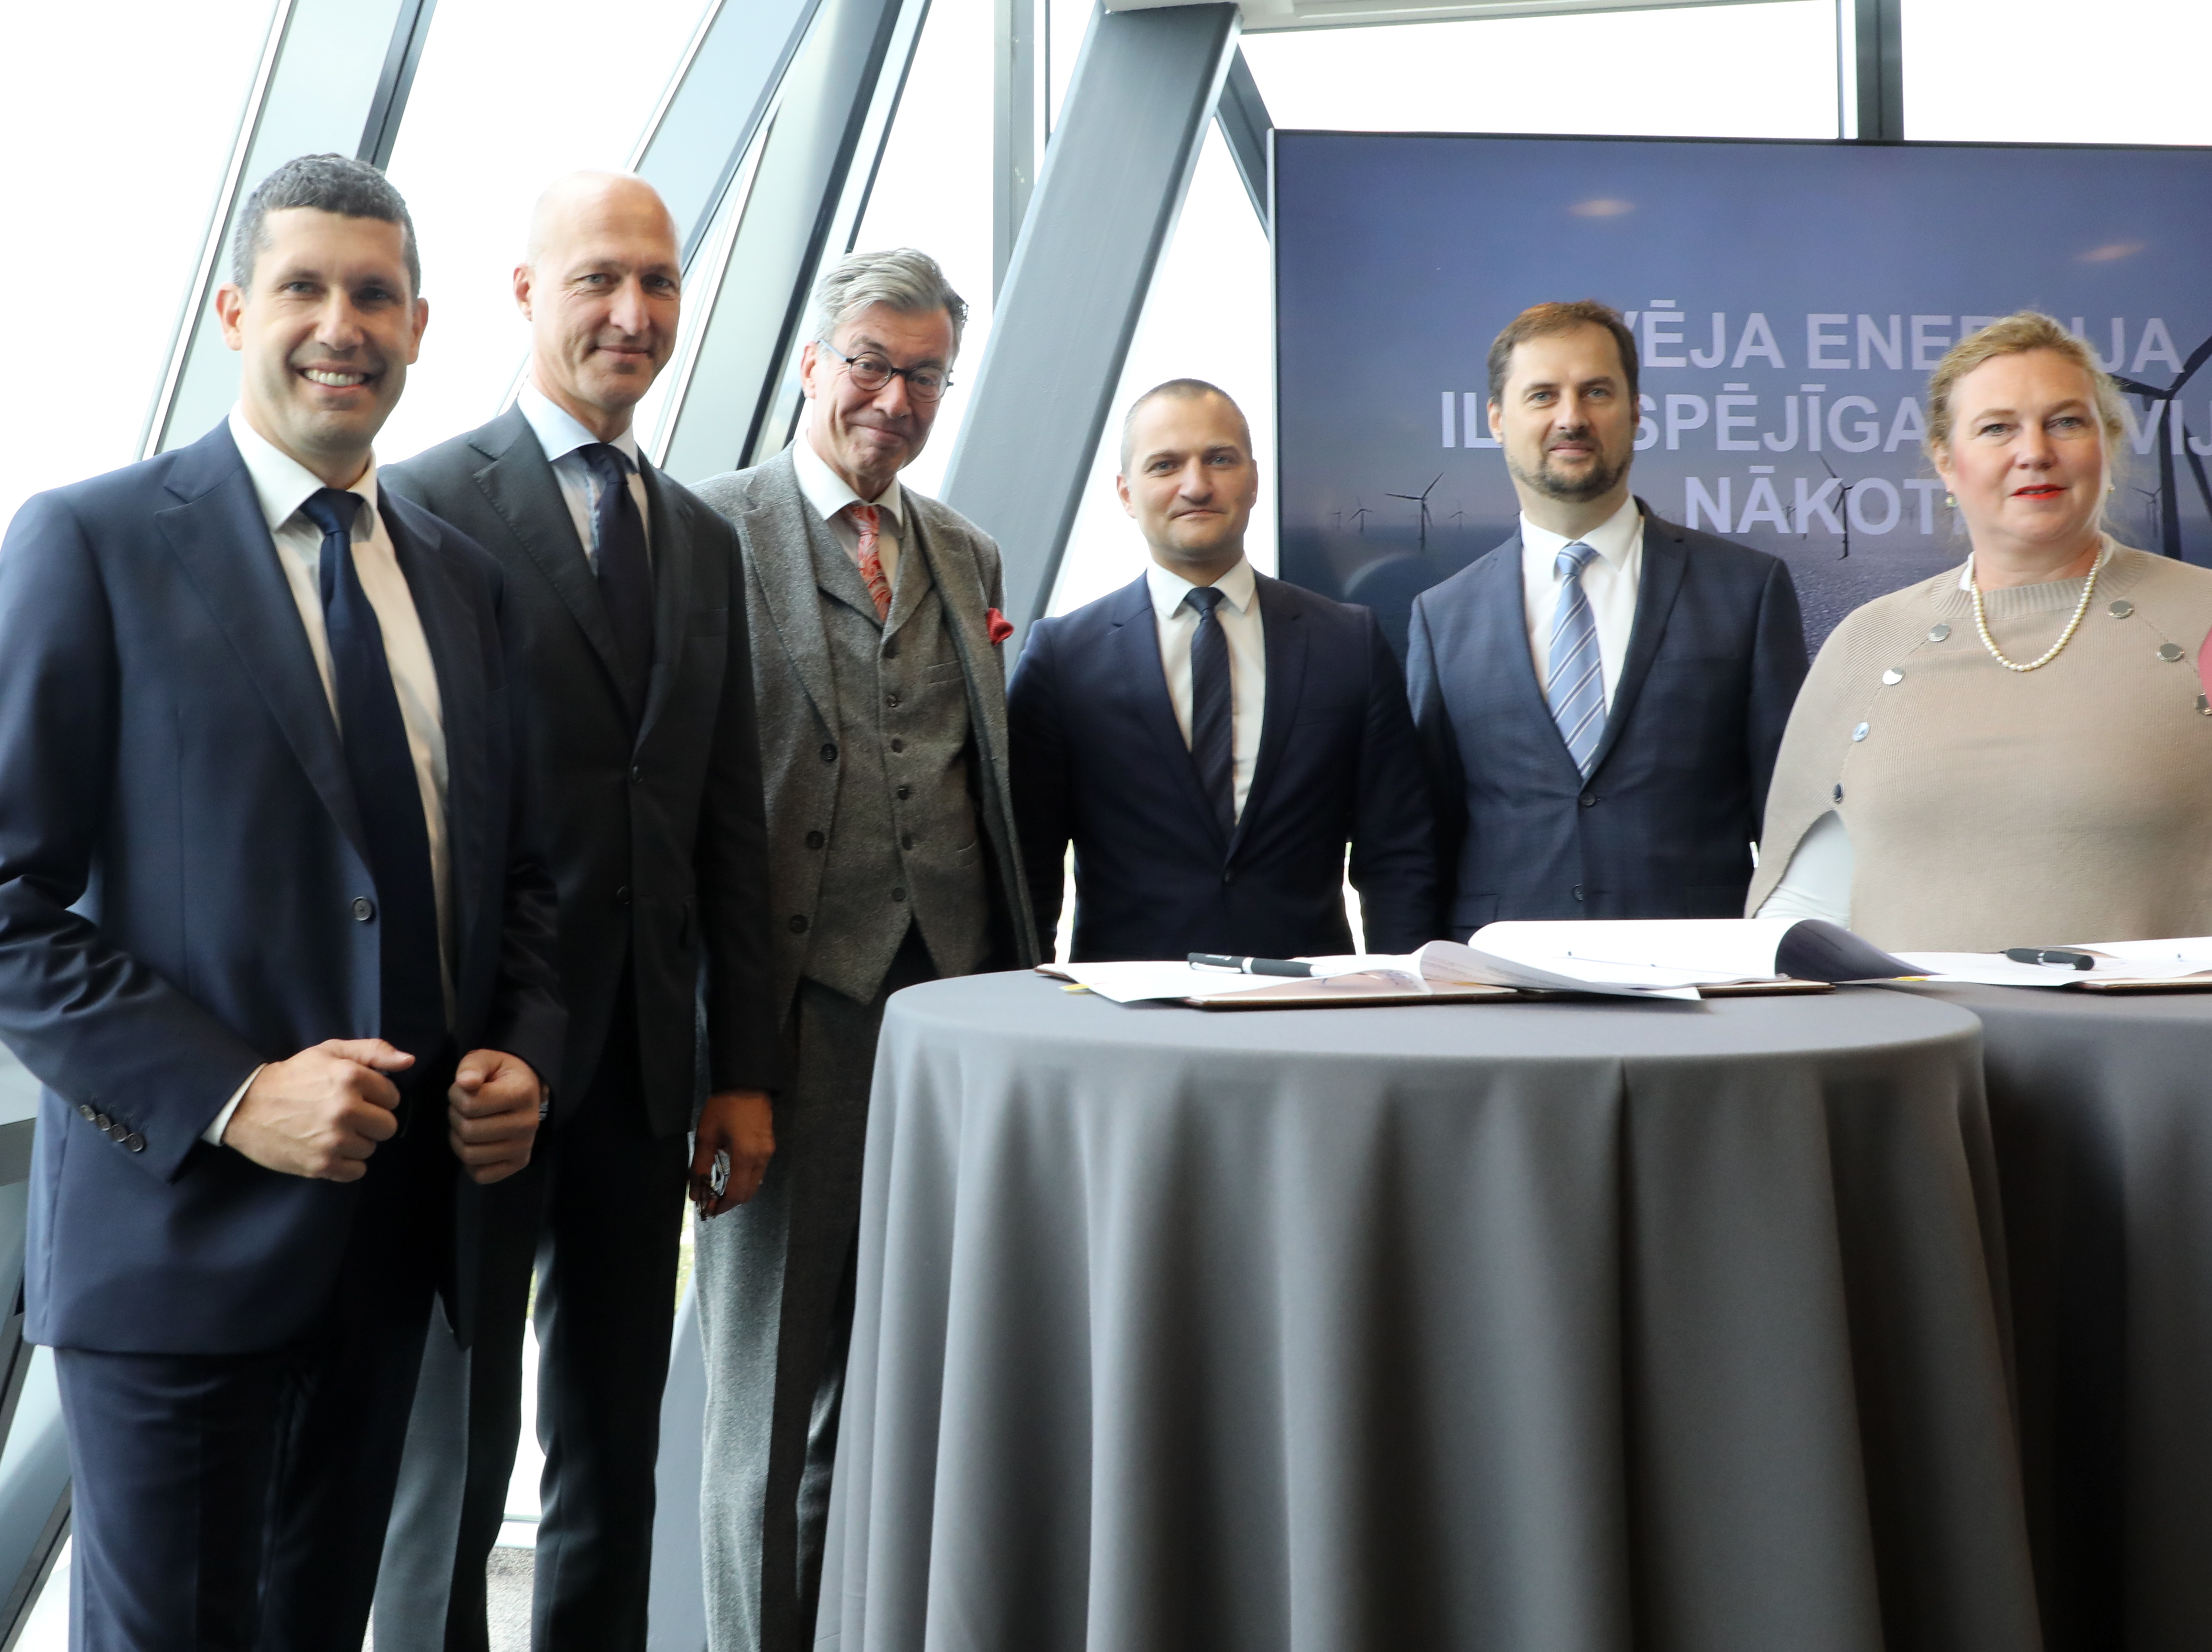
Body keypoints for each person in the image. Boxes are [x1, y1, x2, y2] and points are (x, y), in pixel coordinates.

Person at [0, 154, 565, 1652]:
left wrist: (526, 1048)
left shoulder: (468, 588)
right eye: (304, 287)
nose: (339, 325)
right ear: (234, 310)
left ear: (420, 327)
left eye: (373, 295)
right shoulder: (87, 544)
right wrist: (233, 1094)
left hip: (393, 1247)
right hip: (175, 1249)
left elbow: (530, 876)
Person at [372, 172, 782, 1652]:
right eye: (601, 278)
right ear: (527, 294)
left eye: (661, 283)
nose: (635, 312)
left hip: (641, 1079)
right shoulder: (419, 502)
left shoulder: (701, 538)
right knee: (454, 1471)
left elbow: (726, 827)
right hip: (475, 1073)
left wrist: (737, 1068)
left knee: (616, 1452)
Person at [688, 247, 1040, 1652]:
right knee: (763, 1407)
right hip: (792, 1026)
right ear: (809, 364)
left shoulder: (965, 551)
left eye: (923, 374)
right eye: (869, 365)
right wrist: (728, 1056)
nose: (892, 399)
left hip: (955, 1018)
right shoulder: (705, 533)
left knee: (922, 1394)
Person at [1749, 311, 2212, 948]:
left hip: (2177, 1046)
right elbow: (1798, 924)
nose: (2034, 453)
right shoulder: (1867, 643)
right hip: (1917, 1046)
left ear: (2106, 444)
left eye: (2065, 422)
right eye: (1996, 428)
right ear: (1945, 462)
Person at [1406, 299, 1808, 939]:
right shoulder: (1441, 618)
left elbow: (1790, 827)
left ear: (1635, 411)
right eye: (1541, 395)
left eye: (1595, 391)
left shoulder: (1745, 590)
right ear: (1495, 420)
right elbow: (1418, 844)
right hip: (1499, 993)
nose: (1571, 418)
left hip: (1702, 991)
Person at [1008, 378, 1435, 960]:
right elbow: (1028, 867)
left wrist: (1403, 1002)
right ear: (1126, 494)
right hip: (1125, 1018)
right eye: (1164, 465)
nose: (1196, 485)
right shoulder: (1063, 657)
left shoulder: (1349, 644)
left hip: (1309, 1011)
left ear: (1253, 478)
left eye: (1219, 459)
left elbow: (1398, 854)